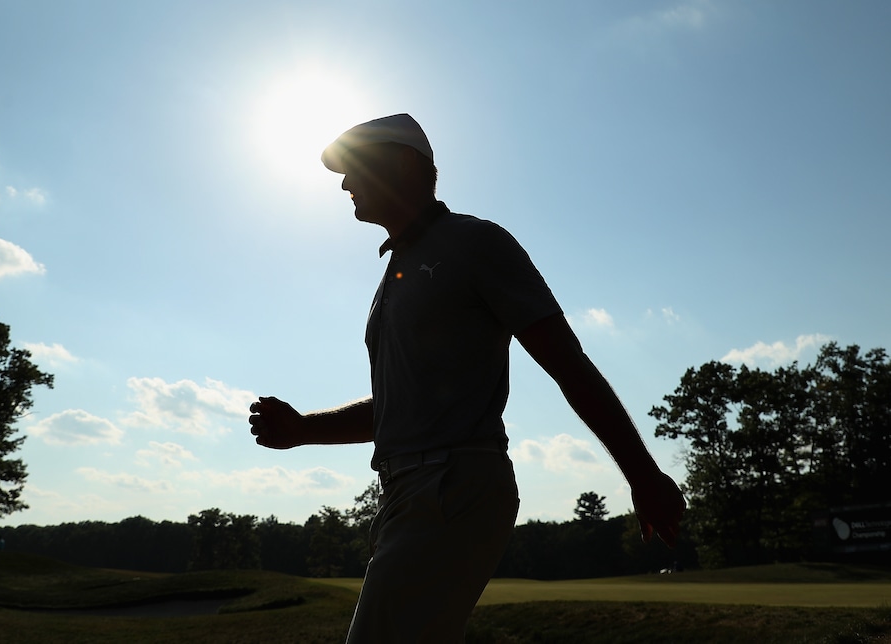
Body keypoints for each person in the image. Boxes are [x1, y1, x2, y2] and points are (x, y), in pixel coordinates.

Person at [249, 113, 686, 643]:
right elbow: (400, 402)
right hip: (408, 490)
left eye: (354, 167)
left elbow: (567, 362)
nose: (343, 183)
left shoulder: (475, 243)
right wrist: (301, 429)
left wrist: (642, 474)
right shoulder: (397, 268)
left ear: (406, 163)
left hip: (451, 482)